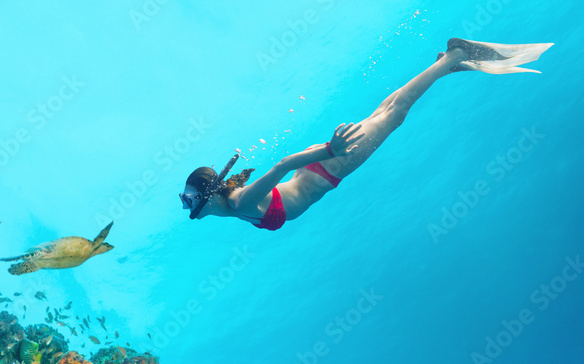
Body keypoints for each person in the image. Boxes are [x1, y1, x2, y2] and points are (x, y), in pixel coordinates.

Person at [180, 38, 554, 230]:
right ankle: (442, 65)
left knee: (395, 114)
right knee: (385, 113)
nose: (201, 213)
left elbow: (279, 167)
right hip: (323, 166)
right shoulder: (235, 208)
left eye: (198, 207)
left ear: (208, 200)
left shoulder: (241, 203)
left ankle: (454, 57)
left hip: (328, 164)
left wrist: (330, 148)